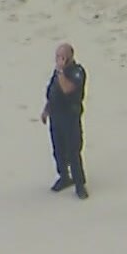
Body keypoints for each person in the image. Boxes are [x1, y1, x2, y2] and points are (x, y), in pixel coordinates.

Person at [40, 42, 88, 199]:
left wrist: (61, 71)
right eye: (57, 57)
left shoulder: (76, 72)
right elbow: (53, 91)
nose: (58, 60)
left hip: (70, 117)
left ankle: (80, 184)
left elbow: (67, 89)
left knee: (73, 151)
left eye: (61, 57)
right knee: (58, 150)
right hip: (56, 116)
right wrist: (46, 110)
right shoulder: (57, 73)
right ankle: (64, 177)